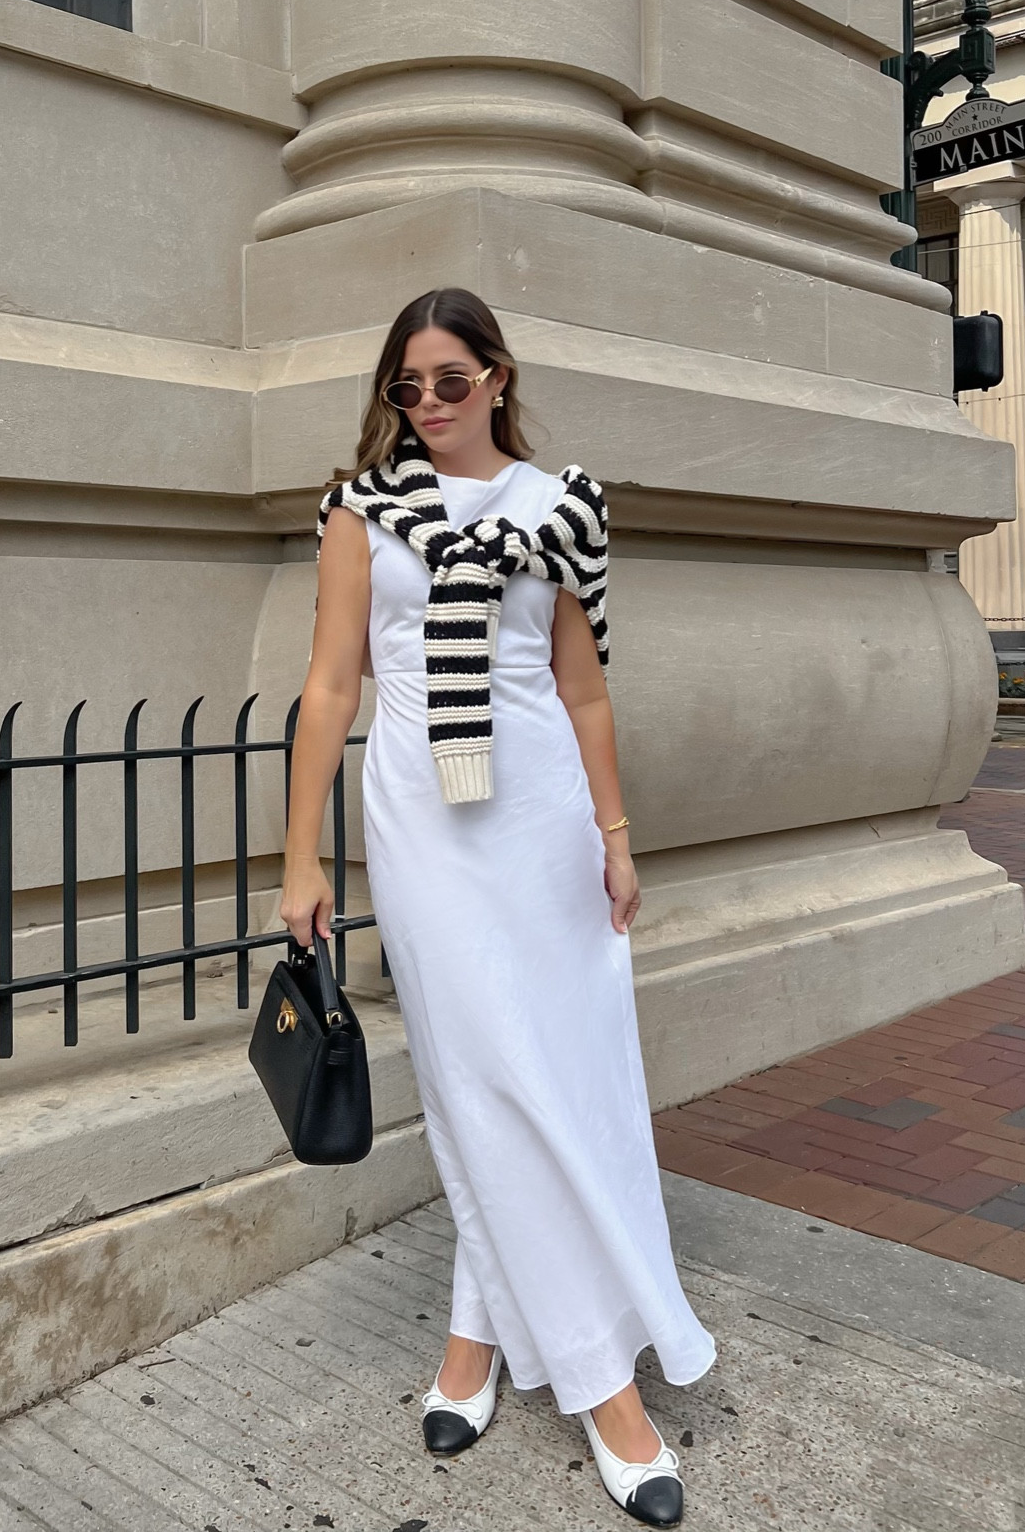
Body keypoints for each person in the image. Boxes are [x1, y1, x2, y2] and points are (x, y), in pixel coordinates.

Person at [280, 287, 715, 1525]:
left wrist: (616, 836)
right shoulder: (361, 514)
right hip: (424, 823)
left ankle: (472, 1343)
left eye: (449, 382)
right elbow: (325, 692)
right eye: (405, 388)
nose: (426, 406)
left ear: (499, 377)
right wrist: (300, 858)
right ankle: (603, 1389)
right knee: (486, 1077)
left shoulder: (559, 507)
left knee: (557, 1078)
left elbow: (582, 691)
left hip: (543, 826)